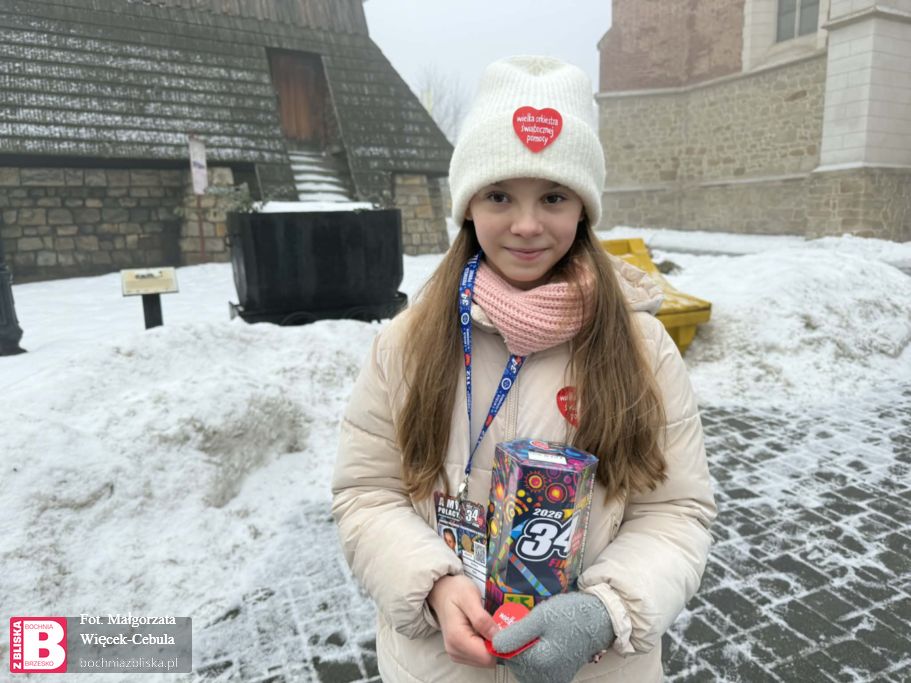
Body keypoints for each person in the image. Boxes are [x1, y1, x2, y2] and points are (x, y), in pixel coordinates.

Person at [332, 55, 716, 683]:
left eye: (554, 196)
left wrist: (606, 610)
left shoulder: (642, 351)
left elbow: (676, 512)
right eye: (501, 194)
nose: (528, 224)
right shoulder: (406, 344)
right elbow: (365, 494)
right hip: (440, 667)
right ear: (468, 206)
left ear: (584, 211)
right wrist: (430, 585)